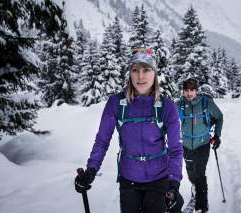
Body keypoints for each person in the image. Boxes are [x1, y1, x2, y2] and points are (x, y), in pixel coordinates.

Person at [74, 48, 184, 213]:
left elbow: (175, 149)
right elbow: (102, 141)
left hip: (159, 178)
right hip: (128, 179)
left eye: (146, 70)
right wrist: (91, 170)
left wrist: (174, 183)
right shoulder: (116, 103)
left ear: (154, 73)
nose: (140, 76)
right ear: (130, 74)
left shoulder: (167, 106)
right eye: (135, 70)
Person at [176, 79, 223, 213]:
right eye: (186, 91)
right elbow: (167, 118)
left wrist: (217, 136)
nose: (189, 93)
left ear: (196, 90)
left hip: (202, 144)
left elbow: (219, 117)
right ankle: (194, 187)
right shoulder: (179, 105)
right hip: (185, 145)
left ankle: (201, 207)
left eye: (192, 90)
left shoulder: (206, 103)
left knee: (200, 174)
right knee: (191, 172)